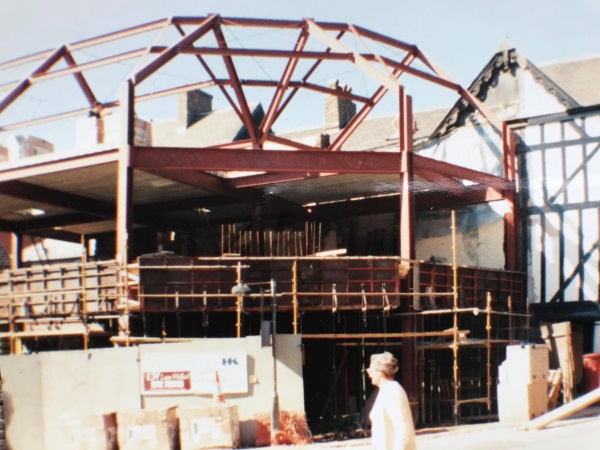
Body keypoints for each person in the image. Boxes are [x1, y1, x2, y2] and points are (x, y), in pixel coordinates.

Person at [366, 352, 416, 450]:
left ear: (380, 371)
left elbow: (402, 429)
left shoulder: (392, 391)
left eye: (370, 370)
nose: (369, 374)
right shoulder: (385, 390)